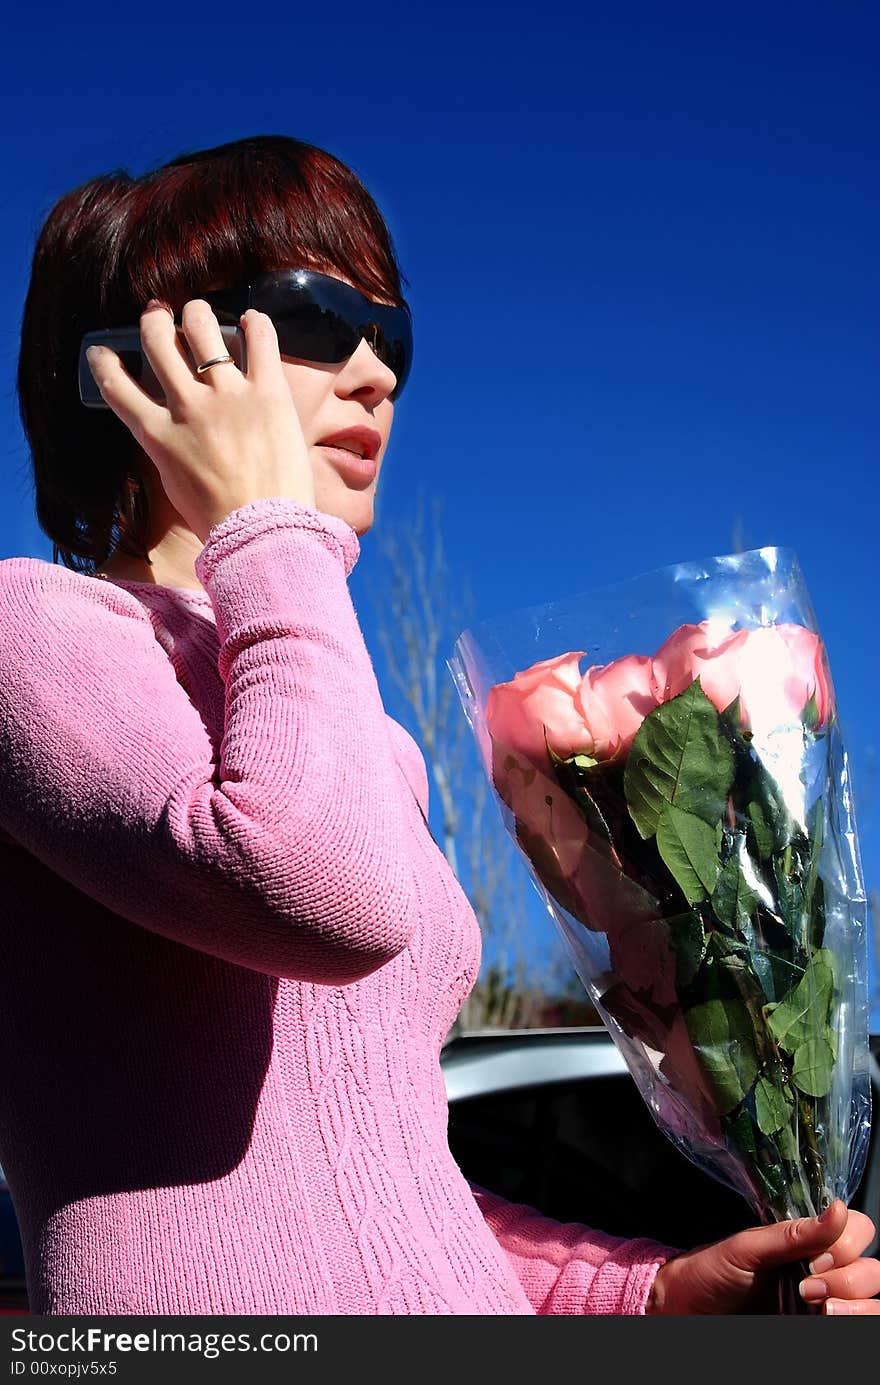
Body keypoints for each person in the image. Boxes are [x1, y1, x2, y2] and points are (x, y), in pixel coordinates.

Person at [0, 133, 877, 1318]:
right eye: (313, 319)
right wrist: (265, 523)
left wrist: (649, 1293)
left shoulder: (342, 717)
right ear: (148, 365)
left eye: (391, 334)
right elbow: (321, 887)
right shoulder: (34, 632)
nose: (375, 373)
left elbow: (382, 1179)